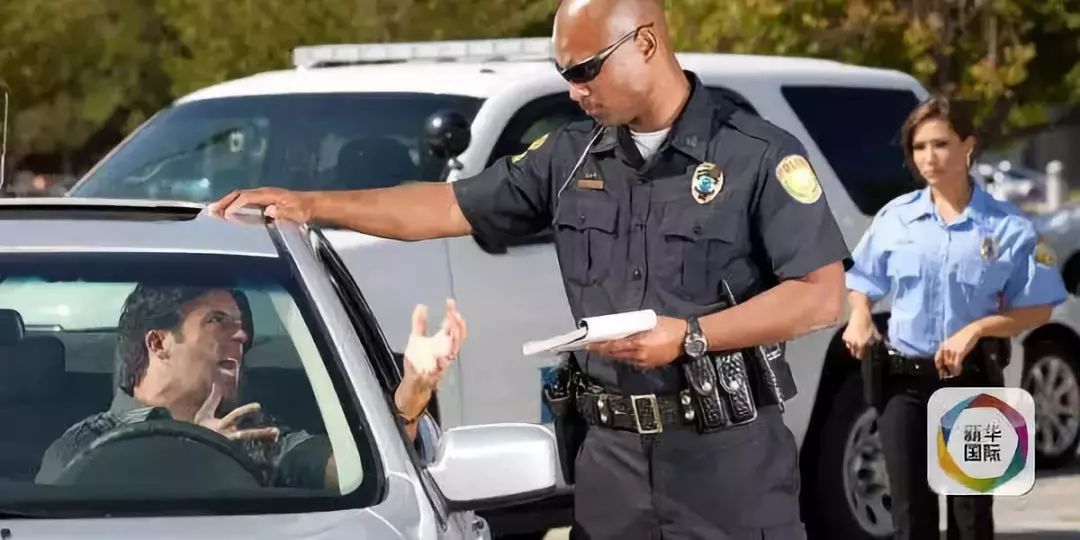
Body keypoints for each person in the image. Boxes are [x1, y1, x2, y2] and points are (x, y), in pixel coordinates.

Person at [208, 1, 850, 537]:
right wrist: (309, 204)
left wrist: (690, 337)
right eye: (564, 72)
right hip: (610, 464)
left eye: (587, 70)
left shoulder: (756, 155)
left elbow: (821, 297)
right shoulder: (571, 157)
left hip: (726, 462)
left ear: (646, 43)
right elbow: (443, 206)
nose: (575, 90)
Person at [841, 96, 1067, 540]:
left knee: (971, 518)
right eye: (919, 147)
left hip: (973, 382)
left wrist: (977, 329)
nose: (928, 156)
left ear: (968, 146)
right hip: (902, 384)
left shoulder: (1007, 227)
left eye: (940, 143)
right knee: (910, 518)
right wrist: (860, 316)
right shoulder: (895, 219)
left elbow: (1039, 305)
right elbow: (862, 279)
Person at [36, 284, 465, 488]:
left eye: (243, 328)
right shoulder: (85, 442)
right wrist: (193, 452)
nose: (241, 338)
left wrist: (410, 395)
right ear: (159, 342)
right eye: (217, 322)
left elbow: (357, 474)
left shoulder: (255, 433)